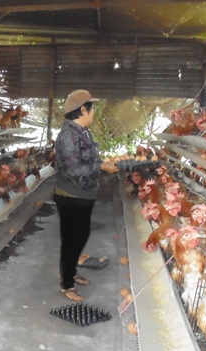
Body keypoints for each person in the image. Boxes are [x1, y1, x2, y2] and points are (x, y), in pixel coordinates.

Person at [53, 89, 118, 301]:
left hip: (83, 193)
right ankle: (66, 284)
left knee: (80, 236)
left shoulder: (82, 132)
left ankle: (70, 272)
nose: (94, 113)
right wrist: (101, 167)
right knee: (71, 240)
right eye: (92, 108)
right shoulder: (68, 136)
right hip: (71, 194)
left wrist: (103, 162)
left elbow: (85, 160)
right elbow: (72, 170)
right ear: (83, 110)